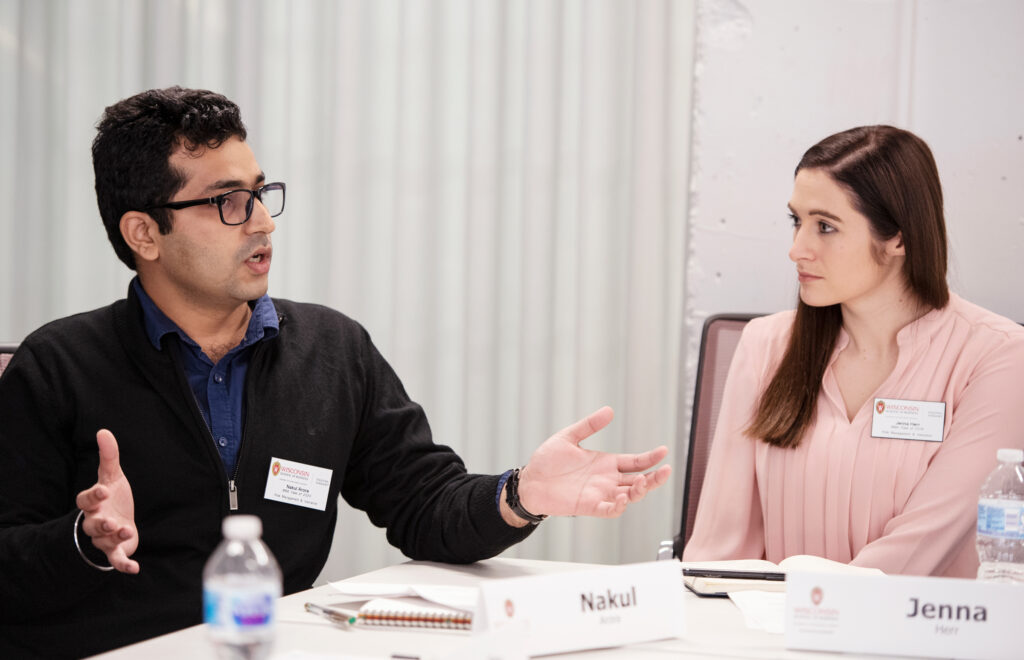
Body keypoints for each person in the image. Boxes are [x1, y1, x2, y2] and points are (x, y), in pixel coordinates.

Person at [0, 86, 672, 659]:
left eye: (261, 195)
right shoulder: (58, 367)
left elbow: (424, 506)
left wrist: (522, 494)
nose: (261, 222)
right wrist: (82, 541)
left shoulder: (331, 350)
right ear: (144, 233)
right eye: (228, 202)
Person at [683, 125, 1024, 578]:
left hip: (916, 641)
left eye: (825, 226)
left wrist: (818, 616)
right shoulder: (765, 346)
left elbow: (923, 547)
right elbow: (718, 556)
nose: (797, 249)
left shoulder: (997, 357)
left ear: (899, 238)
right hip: (775, 637)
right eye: (796, 221)